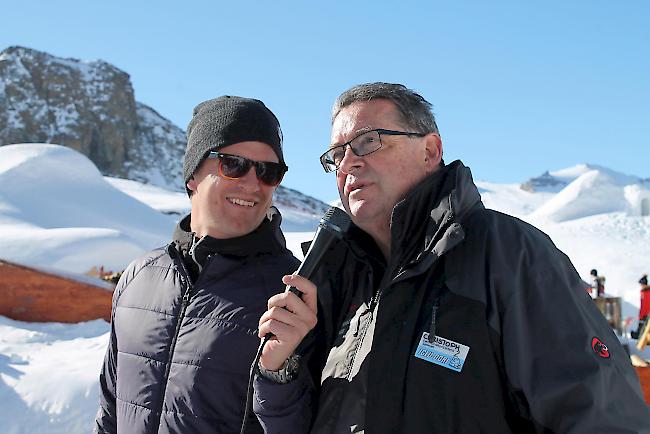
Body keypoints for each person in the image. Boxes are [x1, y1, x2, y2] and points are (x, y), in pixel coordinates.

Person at [253, 83, 650, 433]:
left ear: (430, 150)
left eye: (369, 141)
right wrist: (279, 371)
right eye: (337, 154)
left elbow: (599, 414)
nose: (349, 162)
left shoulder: (506, 253)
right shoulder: (337, 275)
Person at [94, 96, 300, 433]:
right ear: (192, 175)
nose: (252, 183)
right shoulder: (140, 275)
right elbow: (110, 405)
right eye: (233, 164)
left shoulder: (292, 290)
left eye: (269, 171)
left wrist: (280, 374)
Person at [632, 274, 650, 339]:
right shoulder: (644, 292)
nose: (640, 286)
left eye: (641, 285)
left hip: (646, 314)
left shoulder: (646, 293)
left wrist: (642, 315)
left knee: (642, 328)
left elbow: (645, 306)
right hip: (645, 314)